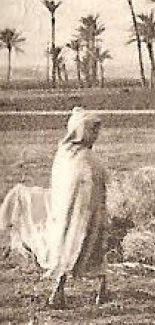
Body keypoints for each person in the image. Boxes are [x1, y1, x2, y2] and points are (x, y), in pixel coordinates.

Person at [45, 107, 110, 309]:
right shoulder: (81, 159)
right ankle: (63, 291)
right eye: (92, 131)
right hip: (77, 215)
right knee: (83, 249)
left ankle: (100, 290)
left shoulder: (66, 155)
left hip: (80, 214)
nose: (95, 136)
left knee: (79, 250)